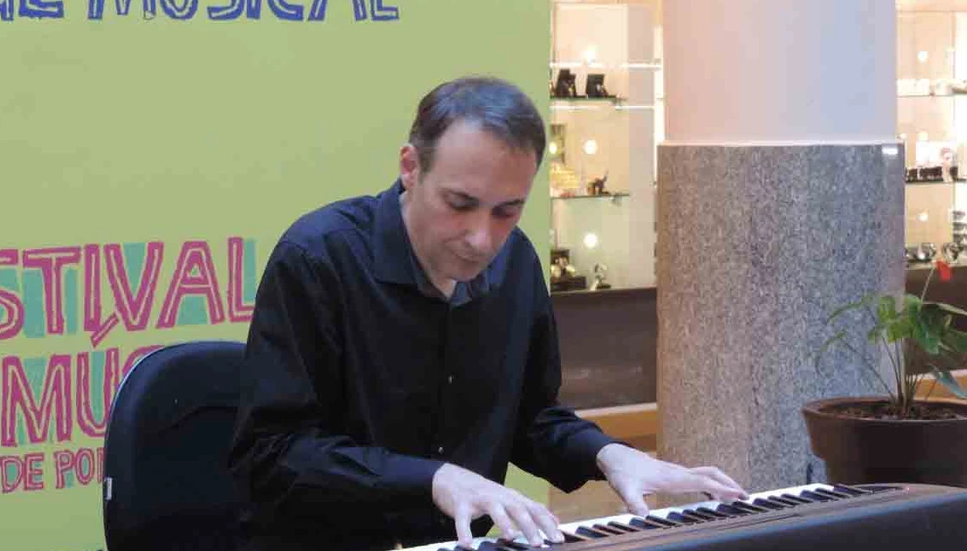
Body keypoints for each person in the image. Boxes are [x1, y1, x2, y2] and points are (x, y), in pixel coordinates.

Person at [228, 77, 745, 551]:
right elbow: (272, 454)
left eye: (507, 211)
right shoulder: (318, 258)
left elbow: (531, 419)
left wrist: (610, 455)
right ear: (410, 168)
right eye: (460, 204)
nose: (482, 239)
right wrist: (434, 479)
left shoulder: (515, 262)